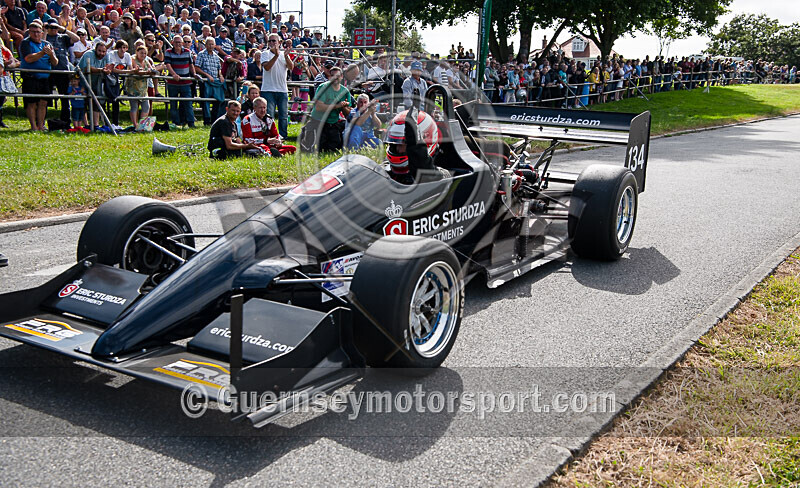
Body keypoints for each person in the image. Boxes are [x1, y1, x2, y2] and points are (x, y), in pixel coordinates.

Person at [383, 108, 445, 185]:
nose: (398, 150)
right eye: (395, 145)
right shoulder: (384, 171)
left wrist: (417, 150)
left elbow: (426, 174)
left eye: (404, 145)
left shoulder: (441, 175)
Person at [20, 22, 58, 131]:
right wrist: (42, 53)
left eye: (38, 32)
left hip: (45, 78)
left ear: (42, 33)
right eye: (33, 32)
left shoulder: (47, 44)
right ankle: (33, 127)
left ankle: (41, 126)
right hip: (30, 77)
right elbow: (28, 58)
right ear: (29, 33)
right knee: (31, 103)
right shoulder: (25, 43)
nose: (36, 34)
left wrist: (50, 54)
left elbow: (55, 62)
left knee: (43, 102)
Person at [304, 65, 350, 152]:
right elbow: (318, 107)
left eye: (337, 76)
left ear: (342, 76)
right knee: (318, 148)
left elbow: (348, 115)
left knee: (335, 147)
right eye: (332, 76)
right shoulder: (323, 87)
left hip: (333, 122)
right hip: (318, 121)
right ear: (329, 76)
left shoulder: (345, 91)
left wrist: (344, 107)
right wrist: (337, 106)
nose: (335, 78)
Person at [44, 19, 78, 123]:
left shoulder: (63, 37)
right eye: (51, 27)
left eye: (55, 27)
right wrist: (45, 31)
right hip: (48, 71)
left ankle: (66, 120)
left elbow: (76, 39)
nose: (54, 29)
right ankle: (41, 121)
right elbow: (42, 43)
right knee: (44, 98)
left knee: (64, 97)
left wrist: (63, 29)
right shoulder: (45, 37)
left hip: (63, 70)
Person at [260, 32, 292, 139]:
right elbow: (267, 67)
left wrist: (286, 56)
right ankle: (270, 136)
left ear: (279, 42)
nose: (271, 43)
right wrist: (276, 56)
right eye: (269, 41)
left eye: (274, 40)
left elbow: (291, 67)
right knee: (270, 115)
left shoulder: (284, 55)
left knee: (283, 115)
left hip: (282, 89)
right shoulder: (265, 53)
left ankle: (283, 135)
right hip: (268, 89)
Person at [163, 35, 195, 127]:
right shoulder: (168, 52)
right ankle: (176, 123)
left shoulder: (187, 52)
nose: (178, 44)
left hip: (185, 82)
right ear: (172, 43)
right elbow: (168, 64)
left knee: (188, 103)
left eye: (179, 42)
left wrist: (194, 74)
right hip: (173, 82)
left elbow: (191, 64)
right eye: (176, 42)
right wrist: (173, 74)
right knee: (173, 104)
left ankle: (191, 122)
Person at [79, 41, 111, 127]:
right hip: (81, 80)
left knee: (96, 102)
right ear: (95, 49)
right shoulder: (88, 54)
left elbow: (108, 66)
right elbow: (88, 68)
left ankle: (95, 124)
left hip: (96, 82)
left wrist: (107, 70)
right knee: (83, 102)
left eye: (103, 51)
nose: (101, 53)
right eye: (99, 51)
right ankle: (85, 124)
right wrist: (101, 70)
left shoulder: (107, 56)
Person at [194, 37, 223, 125]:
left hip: (215, 82)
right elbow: (197, 68)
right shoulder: (201, 54)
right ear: (206, 45)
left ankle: (214, 120)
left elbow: (219, 68)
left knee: (217, 101)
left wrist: (220, 75)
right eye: (209, 44)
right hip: (205, 82)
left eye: (212, 44)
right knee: (205, 101)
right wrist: (207, 75)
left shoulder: (216, 56)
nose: (211, 46)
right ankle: (206, 120)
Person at [126, 44, 155, 127]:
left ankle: (142, 125)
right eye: (141, 53)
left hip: (143, 88)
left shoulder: (146, 61)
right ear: (137, 52)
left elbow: (152, 69)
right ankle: (135, 125)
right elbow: (136, 71)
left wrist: (151, 71)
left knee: (146, 107)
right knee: (134, 107)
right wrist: (147, 72)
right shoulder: (132, 59)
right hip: (133, 88)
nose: (143, 55)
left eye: (145, 53)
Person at [0, 38, 20, 128]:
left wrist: (8, 64)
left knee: (1, 99)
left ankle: (0, 120)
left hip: (3, 79)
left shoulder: (5, 50)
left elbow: (15, 62)